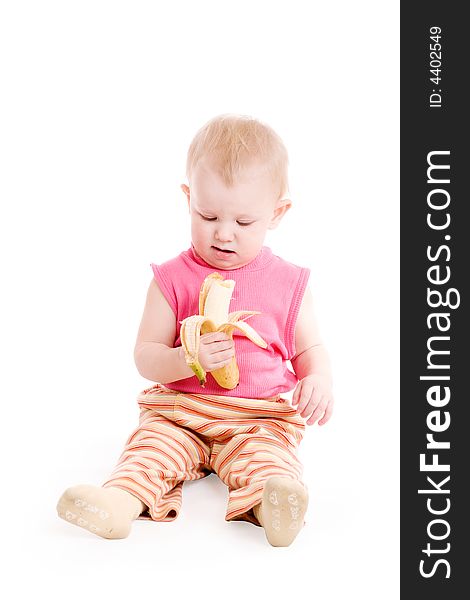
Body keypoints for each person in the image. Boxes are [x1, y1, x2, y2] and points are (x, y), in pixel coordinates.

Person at [56, 114, 334, 547]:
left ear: (277, 213)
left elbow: (308, 348)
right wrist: (187, 358)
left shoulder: (289, 282)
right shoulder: (170, 279)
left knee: (268, 460)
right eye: (208, 216)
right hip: (180, 411)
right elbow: (145, 356)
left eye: (244, 223)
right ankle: (119, 503)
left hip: (257, 419)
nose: (224, 234)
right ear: (188, 199)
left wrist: (318, 377)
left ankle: (272, 506)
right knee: (151, 449)